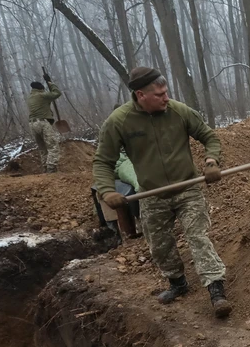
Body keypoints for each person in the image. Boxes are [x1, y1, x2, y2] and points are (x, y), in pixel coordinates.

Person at [93, 67, 232, 318]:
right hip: (152, 194)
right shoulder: (119, 122)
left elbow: (209, 136)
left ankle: (216, 289)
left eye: (166, 92)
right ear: (140, 95)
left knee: (197, 236)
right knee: (159, 245)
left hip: (188, 188)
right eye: (159, 94)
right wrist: (105, 191)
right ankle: (177, 283)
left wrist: (212, 161)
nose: (166, 98)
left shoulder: (179, 112)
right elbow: (103, 161)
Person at [26, 75, 63, 173]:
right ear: (41, 89)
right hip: (42, 123)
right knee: (53, 146)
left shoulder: (30, 97)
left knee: (43, 148)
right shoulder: (42, 95)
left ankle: (45, 169)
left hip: (32, 124)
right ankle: (51, 170)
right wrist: (50, 83)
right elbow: (57, 93)